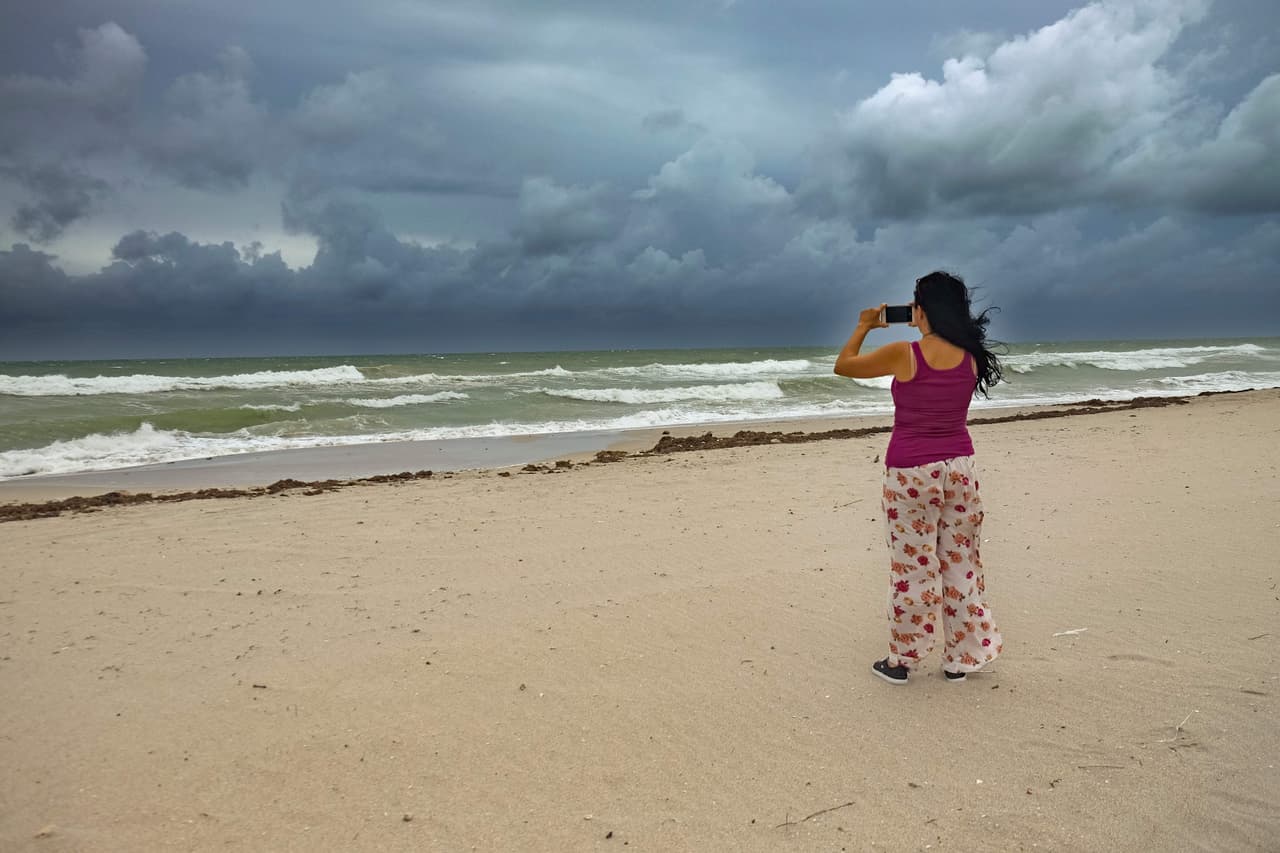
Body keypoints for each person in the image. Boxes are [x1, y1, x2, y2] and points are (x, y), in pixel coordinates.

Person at [833, 271, 1005, 685]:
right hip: (960, 467)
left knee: (913, 565)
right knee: (960, 563)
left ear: (921, 309)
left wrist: (863, 325)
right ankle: (961, 658)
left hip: (911, 470)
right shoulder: (972, 355)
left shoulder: (904, 353)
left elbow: (844, 366)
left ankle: (902, 659)